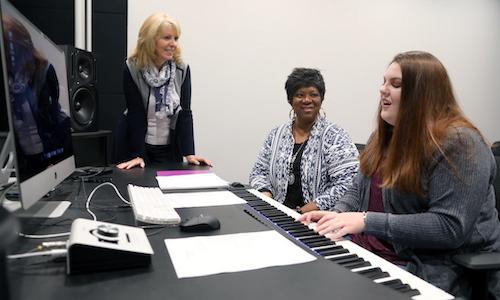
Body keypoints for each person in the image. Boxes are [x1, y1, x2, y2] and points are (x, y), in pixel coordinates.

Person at [299, 51, 500, 298]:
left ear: (424, 94)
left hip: (425, 267)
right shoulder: (382, 137)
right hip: (366, 253)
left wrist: (365, 220)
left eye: (396, 84)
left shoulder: (461, 143)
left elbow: (449, 226)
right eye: (384, 82)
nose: (383, 90)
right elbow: (357, 189)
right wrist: (337, 215)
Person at [249, 68, 359, 213]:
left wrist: (306, 210)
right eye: (300, 95)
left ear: (321, 98)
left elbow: (348, 184)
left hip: (319, 219)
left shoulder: (336, 136)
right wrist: (267, 197)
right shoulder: (276, 134)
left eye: (313, 94)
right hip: (277, 215)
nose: (307, 100)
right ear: (290, 100)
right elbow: (258, 172)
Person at [115, 12, 211, 169]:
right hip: (136, 145)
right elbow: (135, 113)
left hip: (169, 148)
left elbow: (185, 112)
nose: (173, 43)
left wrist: (189, 153)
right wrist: (137, 154)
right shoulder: (132, 68)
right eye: (167, 38)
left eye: (176, 38)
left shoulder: (182, 69)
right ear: (150, 40)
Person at [2, 15, 72, 176]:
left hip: (43, 152)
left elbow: (53, 114)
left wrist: (56, 160)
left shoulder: (44, 70)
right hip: (19, 158)